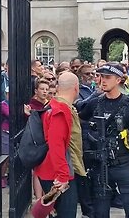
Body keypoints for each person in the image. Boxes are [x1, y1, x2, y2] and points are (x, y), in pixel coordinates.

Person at [78, 64, 129, 218]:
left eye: (107, 77)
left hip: (124, 165)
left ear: (118, 80)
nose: (103, 81)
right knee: (100, 212)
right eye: (101, 76)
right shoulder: (94, 103)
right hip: (100, 166)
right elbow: (76, 119)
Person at [34, 72, 85, 218]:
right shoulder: (61, 110)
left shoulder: (52, 104)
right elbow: (56, 145)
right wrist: (63, 177)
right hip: (57, 174)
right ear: (76, 88)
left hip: (52, 170)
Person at [0, 86, 10, 188]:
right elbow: (10, 114)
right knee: (5, 156)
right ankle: (1, 177)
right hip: (5, 131)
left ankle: (6, 176)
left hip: (11, 132)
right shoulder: (3, 104)